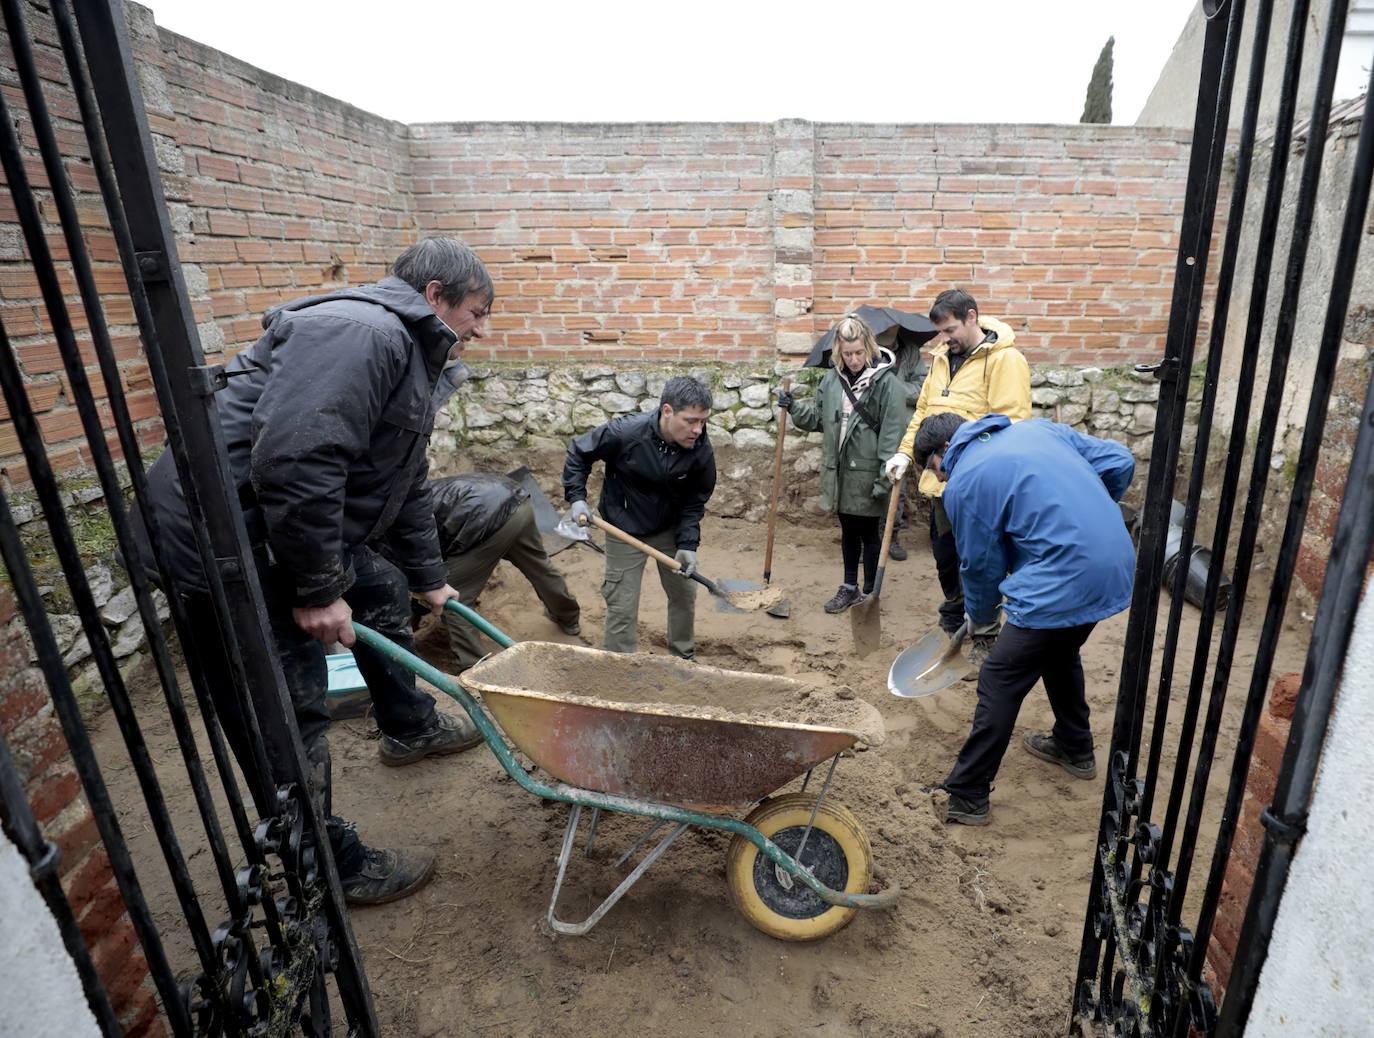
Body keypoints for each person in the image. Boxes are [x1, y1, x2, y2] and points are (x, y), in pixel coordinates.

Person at [135, 236, 493, 905]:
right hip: (222, 540)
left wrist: (428, 574)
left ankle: (408, 726)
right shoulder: (362, 335)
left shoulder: (407, 352)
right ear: (435, 296)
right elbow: (298, 460)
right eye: (476, 311)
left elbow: (404, 479)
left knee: (384, 587)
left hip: (272, 523)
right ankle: (323, 866)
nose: (481, 328)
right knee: (286, 705)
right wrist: (318, 589)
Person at [910, 412, 1136, 826]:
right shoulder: (1037, 428)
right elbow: (1120, 461)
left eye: (932, 469)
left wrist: (980, 622)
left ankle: (967, 795)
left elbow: (980, 567)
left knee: (1000, 676)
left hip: (1065, 576)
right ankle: (1074, 746)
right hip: (1117, 562)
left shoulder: (965, 482)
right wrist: (1087, 517)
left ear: (944, 452)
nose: (938, 481)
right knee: (1059, 649)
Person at [883, 289, 1032, 666]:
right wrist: (905, 451)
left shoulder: (1004, 361)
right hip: (940, 483)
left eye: (949, 329)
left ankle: (985, 635)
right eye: (940, 332)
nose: (944, 339)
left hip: (980, 485)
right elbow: (924, 412)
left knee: (981, 559)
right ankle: (954, 621)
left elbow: (1011, 422)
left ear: (971, 317)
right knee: (946, 556)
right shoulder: (939, 360)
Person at [562, 376, 716, 660]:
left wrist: (687, 544)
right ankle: (618, 667)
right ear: (667, 411)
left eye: (703, 421)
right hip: (624, 528)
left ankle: (683, 658)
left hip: (669, 529)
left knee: (684, 594)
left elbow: (695, 501)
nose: (698, 429)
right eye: (691, 420)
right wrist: (577, 498)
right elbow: (579, 453)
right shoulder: (626, 433)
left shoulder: (701, 450)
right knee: (622, 602)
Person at [780, 314, 909, 613]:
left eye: (859, 352)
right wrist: (794, 407)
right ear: (839, 351)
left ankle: (868, 592)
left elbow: (891, 435)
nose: (854, 359)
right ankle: (849, 587)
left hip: (870, 472)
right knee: (848, 531)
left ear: (869, 347)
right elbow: (819, 419)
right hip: (839, 472)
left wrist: (883, 478)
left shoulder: (887, 384)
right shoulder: (831, 381)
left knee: (869, 534)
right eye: (848, 353)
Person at [428, 472, 582, 670]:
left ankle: (473, 667)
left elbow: (426, 563)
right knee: (539, 566)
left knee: (457, 600)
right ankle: (569, 618)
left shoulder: (406, 519)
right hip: (516, 500)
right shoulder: (424, 492)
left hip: (482, 519)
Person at [886, 331, 931, 562]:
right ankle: (869, 541)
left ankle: (891, 537)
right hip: (873, 428)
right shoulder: (866, 352)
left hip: (901, 430)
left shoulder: (910, 352)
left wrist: (894, 388)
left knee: (897, 484)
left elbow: (923, 387)